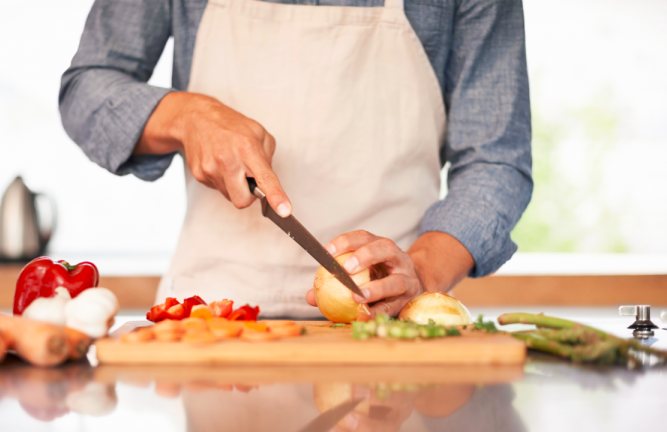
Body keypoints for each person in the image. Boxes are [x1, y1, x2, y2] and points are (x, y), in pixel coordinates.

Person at [60, 0, 532, 318]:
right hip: (210, 323)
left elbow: (496, 159)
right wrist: (186, 116)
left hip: (389, 325)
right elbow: (87, 90)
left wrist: (421, 271)